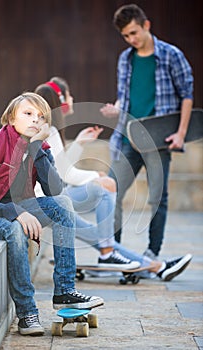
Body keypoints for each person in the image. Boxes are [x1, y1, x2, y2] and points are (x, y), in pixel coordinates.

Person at [0, 92, 104, 336]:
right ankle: (27, 313)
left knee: (62, 204)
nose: (35, 120)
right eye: (28, 114)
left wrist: (36, 148)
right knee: (14, 229)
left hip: (17, 210)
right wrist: (16, 212)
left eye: (41, 117)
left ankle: (64, 291)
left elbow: (55, 190)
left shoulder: (40, 148)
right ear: (11, 118)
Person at [34, 78, 192, 281]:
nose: (72, 99)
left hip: (51, 201)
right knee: (105, 188)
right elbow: (64, 173)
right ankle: (112, 256)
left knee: (100, 237)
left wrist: (80, 142)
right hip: (47, 202)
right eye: (69, 95)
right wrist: (95, 176)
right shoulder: (50, 131)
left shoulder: (50, 131)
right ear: (62, 99)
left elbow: (59, 167)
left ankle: (156, 267)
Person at [100, 4, 194, 260]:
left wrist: (181, 134)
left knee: (157, 199)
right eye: (126, 36)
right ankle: (111, 252)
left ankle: (152, 252)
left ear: (146, 25)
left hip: (159, 141)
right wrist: (115, 109)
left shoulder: (171, 55)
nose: (131, 39)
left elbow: (187, 95)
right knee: (110, 190)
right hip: (127, 138)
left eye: (134, 33)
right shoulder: (125, 59)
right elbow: (124, 98)